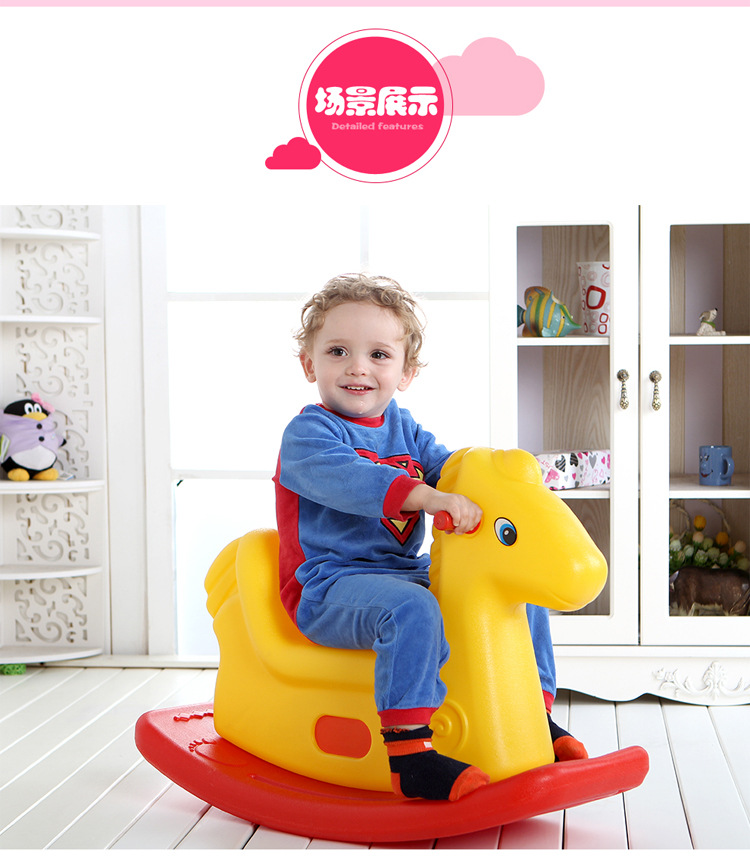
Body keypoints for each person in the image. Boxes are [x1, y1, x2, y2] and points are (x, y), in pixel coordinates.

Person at [273, 273, 585, 802]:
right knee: (412, 609)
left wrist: (491, 475)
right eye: (338, 351)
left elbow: (448, 468)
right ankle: (411, 755)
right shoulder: (309, 435)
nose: (357, 367)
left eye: (378, 355)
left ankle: (534, 712)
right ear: (309, 364)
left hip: (399, 573)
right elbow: (353, 480)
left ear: (406, 372)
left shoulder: (404, 426)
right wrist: (426, 496)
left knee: (514, 593)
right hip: (327, 586)